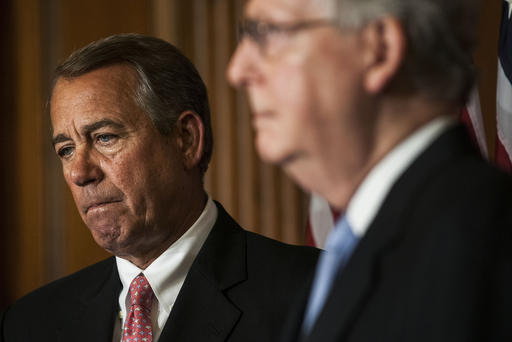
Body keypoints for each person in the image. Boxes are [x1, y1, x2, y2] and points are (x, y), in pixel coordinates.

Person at [0, 33, 319, 342]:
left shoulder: (313, 293)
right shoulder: (31, 322)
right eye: (66, 150)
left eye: (105, 138)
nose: (80, 173)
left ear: (186, 140)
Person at [227, 0, 512, 341]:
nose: (237, 70)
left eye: (267, 33)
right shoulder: (359, 245)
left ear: (380, 49)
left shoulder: (478, 238)